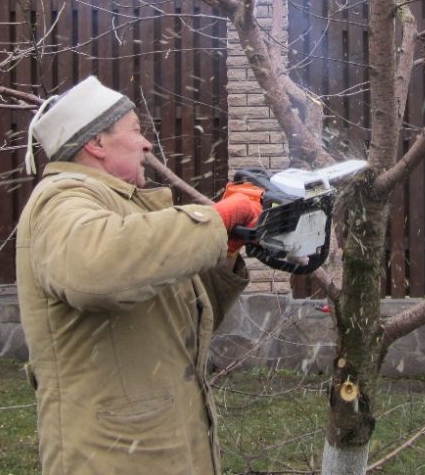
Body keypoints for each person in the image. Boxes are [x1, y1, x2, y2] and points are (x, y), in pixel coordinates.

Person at [16, 76, 262, 475]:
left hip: (156, 447)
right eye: (135, 131)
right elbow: (94, 272)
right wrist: (215, 218)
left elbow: (183, 321)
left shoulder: (122, 208)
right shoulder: (62, 198)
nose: (147, 144)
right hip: (113, 457)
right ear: (96, 143)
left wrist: (226, 248)